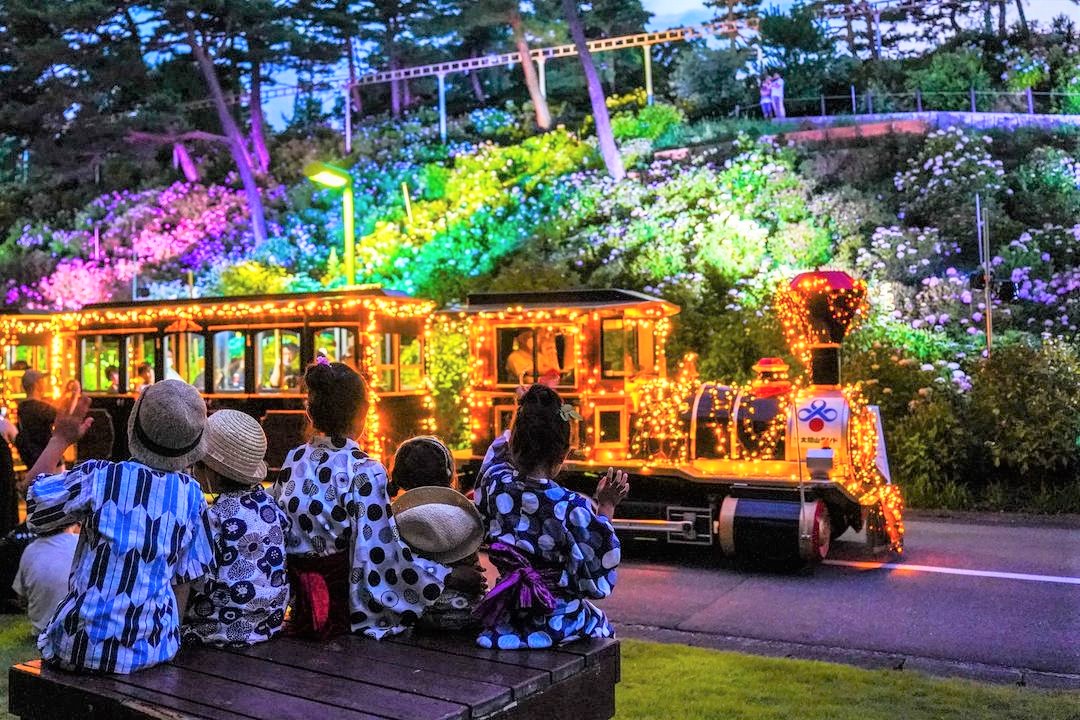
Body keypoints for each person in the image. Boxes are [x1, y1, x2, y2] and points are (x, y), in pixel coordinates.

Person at [22, 381, 216, 674]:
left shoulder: (101, 478)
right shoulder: (191, 496)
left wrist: (60, 439)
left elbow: (34, 505)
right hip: (154, 649)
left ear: (132, 426)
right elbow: (185, 581)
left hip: (79, 647)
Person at [273, 359, 466, 640]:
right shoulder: (364, 469)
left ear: (311, 412)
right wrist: (445, 575)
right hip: (340, 609)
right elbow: (381, 553)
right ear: (362, 412)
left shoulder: (294, 459)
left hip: (300, 604)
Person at [473, 384, 628, 650]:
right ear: (564, 454)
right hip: (557, 618)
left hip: (508, 613)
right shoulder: (571, 507)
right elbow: (598, 567)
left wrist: (525, 410)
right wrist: (607, 504)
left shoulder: (495, 483)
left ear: (513, 445)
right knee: (599, 625)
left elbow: (497, 452)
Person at [184, 410, 290, 647]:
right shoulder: (269, 505)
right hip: (267, 623)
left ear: (210, 471)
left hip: (221, 628)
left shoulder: (215, 517)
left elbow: (200, 580)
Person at [390, 436, 486, 631]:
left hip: (416, 612)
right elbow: (475, 575)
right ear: (449, 474)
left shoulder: (396, 522)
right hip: (470, 613)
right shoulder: (462, 518)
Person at [12, 524, 79, 635]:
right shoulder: (83, 544)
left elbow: (21, 598)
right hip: (76, 633)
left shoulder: (30, 550)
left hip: (41, 632)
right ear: (75, 523)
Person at [15, 370, 56, 471]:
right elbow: (65, 420)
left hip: (32, 460)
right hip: (49, 460)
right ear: (37, 384)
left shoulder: (21, 407)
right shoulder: (44, 408)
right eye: (43, 380)